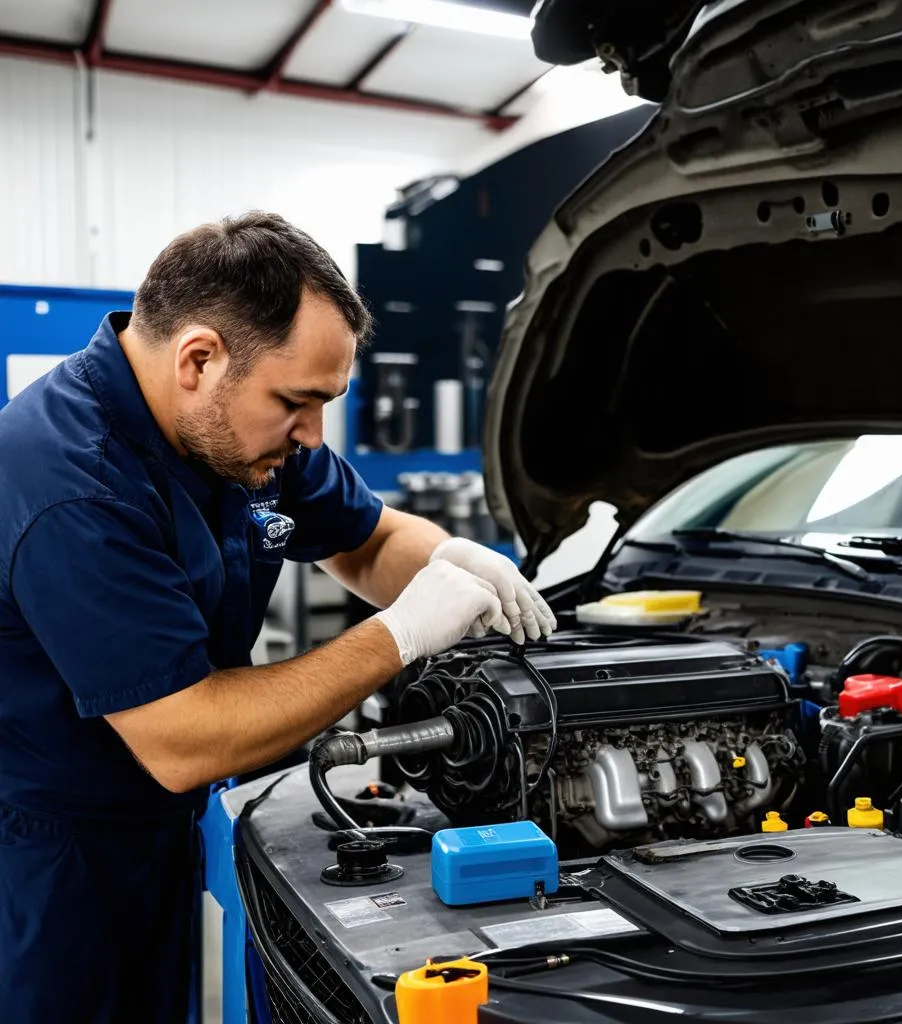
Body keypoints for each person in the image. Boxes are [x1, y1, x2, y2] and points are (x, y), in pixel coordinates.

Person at [0, 211, 556, 1023]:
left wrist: (454, 564)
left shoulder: (239, 431)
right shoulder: (70, 486)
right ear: (199, 358)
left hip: (153, 829)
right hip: (46, 856)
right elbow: (186, 737)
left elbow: (371, 540)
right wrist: (400, 634)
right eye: (298, 402)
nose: (313, 435)